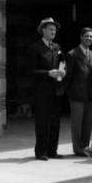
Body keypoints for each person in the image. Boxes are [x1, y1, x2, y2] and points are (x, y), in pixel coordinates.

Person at [29, 17, 66, 161]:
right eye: (50, 29)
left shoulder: (57, 47)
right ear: (42, 30)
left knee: (55, 121)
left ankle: (52, 151)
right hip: (42, 92)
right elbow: (31, 71)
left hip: (56, 90)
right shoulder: (35, 48)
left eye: (54, 30)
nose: (53, 32)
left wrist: (63, 71)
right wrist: (47, 73)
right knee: (43, 122)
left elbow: (63, 62)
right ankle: (41, 152)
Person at [64, 27, 92, 156]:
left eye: (91, 37)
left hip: (90, 94)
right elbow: (68, 76)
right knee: (77, 124)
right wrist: (69, 93)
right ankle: (78, 149)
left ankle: (85, 147)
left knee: (88, 123)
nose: (89, 39)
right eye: (87, 36)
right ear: (81, 37)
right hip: (77, 95)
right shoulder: (72, 54)